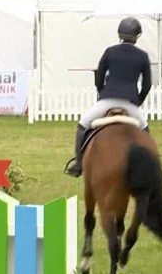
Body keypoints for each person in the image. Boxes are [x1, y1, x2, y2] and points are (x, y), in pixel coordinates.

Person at [65, 17, 151, 178]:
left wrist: (102, 92)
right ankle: (148, 167)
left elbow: (99, 78)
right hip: (130, 104)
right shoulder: (142, 56)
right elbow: (147, 85)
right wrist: (138, 101)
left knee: (82, 126)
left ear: (120, 34)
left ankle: (79, 164)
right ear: (137, 36)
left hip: (107, 100)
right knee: (145, 130)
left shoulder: (110, 52)